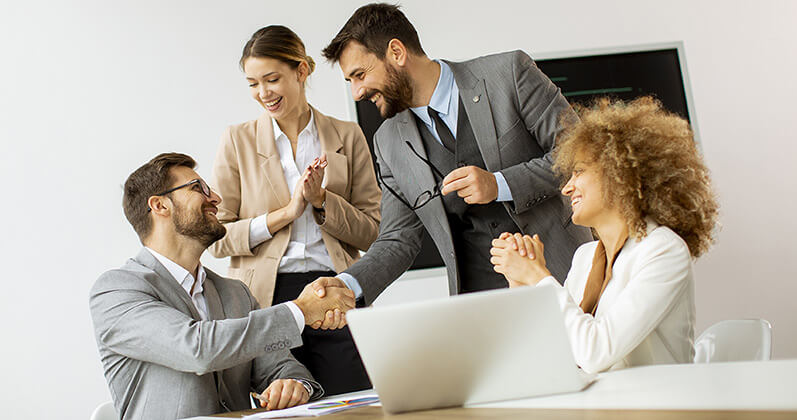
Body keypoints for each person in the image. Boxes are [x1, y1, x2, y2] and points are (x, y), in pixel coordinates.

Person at [313, 3, 592, 305]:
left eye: (360, 74)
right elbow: (398, 239)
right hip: (479, 304)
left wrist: (499, 184)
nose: (357, 92)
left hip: (562, 275)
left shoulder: (509, 74)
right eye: (350, 81)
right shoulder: (387, 141)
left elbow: (580, 156)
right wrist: (347, 284)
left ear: (396, 52)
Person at [89, 153, 355, 419]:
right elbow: (198, 348)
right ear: (159, 205)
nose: (215, 198)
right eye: (198, 188)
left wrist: (294, 385)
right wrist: (301, 310)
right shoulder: (116, 291)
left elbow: (281, 367)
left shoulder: (236, 293)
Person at [207, 26, 381, 394]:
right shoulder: (237, 140)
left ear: (301, 71)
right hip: (264, 298)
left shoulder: (348, 136)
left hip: (332, 289)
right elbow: (217, 237)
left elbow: (373, 231)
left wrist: (322, 202)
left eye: (272, 79)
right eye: (253, 83)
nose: (263, 93)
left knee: (354, 404)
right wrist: (286, 213)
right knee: (286, 406)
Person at [490, 97, 719, 374]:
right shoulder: (585, 256)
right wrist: (521, 283)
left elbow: (595, 354)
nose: (567, 188)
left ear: (618, 171)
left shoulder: (663, 249)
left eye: (579, 172)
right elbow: (555, 352)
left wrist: (538, 277)